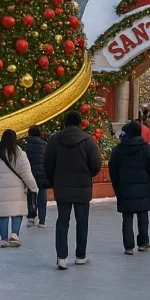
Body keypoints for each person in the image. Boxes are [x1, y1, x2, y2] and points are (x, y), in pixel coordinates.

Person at [44, 110, 102, 270]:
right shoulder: (88, 140)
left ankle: (61, 257)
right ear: (79, 123)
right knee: (82, 222)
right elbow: (96, 164)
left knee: (62, 221)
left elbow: (48, 164)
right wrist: (87, 175)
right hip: (82, 188)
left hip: (62, 187)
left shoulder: (55, 140)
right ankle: (80, 255)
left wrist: (54, 181)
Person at [108, 120, 150, 254]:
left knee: (127, 217)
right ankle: (143, 242)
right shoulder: (148, 150)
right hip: (143, 189)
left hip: (125, 188)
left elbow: (112, 169)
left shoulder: (119, 150)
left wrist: (116, 185)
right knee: (143, 215)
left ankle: (128, 246)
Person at [0, 128, 37, 248]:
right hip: (17, 189)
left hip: (1, 188)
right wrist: (34, 187)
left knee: (3, 214)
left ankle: (4, 239)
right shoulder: (20, 154)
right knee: (17, 212)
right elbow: (26, 173)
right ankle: (14, 235)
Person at [24, 125, 49, 228]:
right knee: (42, 197)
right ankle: (42, 220)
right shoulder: (45, 145)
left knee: (31, 195)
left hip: (30, 174)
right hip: (42, 175)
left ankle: (31, 217)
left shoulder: (26, 145)